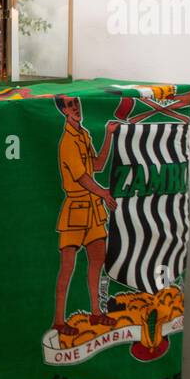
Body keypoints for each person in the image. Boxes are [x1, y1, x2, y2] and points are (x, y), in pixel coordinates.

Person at [52, 95, 119, 336]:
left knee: (97, 262)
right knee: (67, 267)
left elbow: (98, 165)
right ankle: (59, 321)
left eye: (76, 104)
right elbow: (81, 177)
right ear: (63, 110)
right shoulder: (67, 142)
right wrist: (103, 192)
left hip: (92, 211)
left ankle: (96, 312)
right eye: (70, 105)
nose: (75, 108)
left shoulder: (84, 135)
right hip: (75, 211)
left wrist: (109, 134)